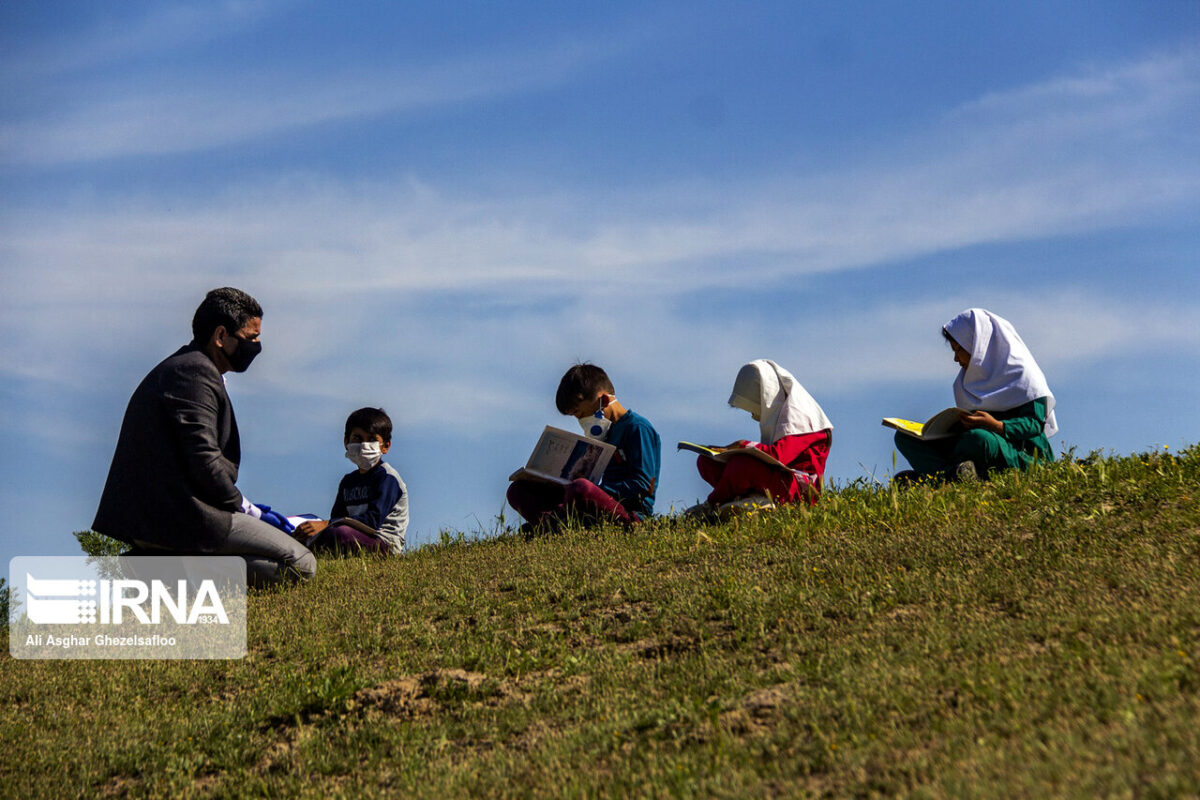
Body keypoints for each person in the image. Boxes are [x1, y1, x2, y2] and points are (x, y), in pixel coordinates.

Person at [93, 288, 316, 587]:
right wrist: (246, 509)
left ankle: (155, 565)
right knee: (300, 564)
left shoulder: (185, 368)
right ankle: (157, 573)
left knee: (274, 558)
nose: (257, 346)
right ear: (221, 336)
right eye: (251, 338)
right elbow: (204, 460)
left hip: (166, 516)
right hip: (183, 516)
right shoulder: (195, 373)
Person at [893, 307, 1057, 483]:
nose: (956, 359)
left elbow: (1034, 423)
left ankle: (937, 478)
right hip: (974, 447)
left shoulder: (1024, 375)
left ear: (979, 346)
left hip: (1020, 453)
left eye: (959, 350)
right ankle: (952, 476)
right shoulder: (965, 382)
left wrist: (996, 425)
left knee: (978, 439)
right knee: (904, 437)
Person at [507, 363, 661, 532]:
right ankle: (558, 525)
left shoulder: (638, 428)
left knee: (581, 488)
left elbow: (642, 484)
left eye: (580, 414)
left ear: (603, 400)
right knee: (517, 490)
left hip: (629, 511)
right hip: (590, 503)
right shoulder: (606, 433)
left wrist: (596, 489)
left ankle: (553, 525)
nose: (581, 422)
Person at [689, 359, 833, 516]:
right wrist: (724, 452)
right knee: (707, 461)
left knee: (742, 466)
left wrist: (742, 446)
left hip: (800, 490)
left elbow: (779, 456)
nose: (753, 415)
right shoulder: (784, 415)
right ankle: (752, 500)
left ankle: (713, 505)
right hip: (778, 479)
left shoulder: (805, 420)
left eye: (755, 408)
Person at [293, 407, 409, 555]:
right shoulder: (348, 481)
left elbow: (372, 521)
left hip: (383, 542)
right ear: (346, 441)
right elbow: (337, 516)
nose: (364, 445)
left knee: (339, 534)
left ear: (386, 446)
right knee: (302, 535)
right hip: (350, 535)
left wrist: (326, 525)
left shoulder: (387, 478)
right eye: (357, 439)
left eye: (372, 440)